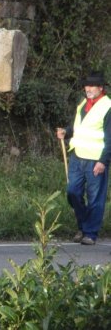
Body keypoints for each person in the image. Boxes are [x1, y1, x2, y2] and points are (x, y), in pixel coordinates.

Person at [56, 70, 111, 246]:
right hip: (77, 155)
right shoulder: (83, 104)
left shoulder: (108, 107)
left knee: (95, 197)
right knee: (73, 192)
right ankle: (83, 225)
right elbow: (80, 127)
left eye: (92, 85)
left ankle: (90, 233)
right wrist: (66, 131)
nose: (88, 88)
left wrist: (103, 161)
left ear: (100, 88)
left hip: (96, 159)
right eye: (86, 85)